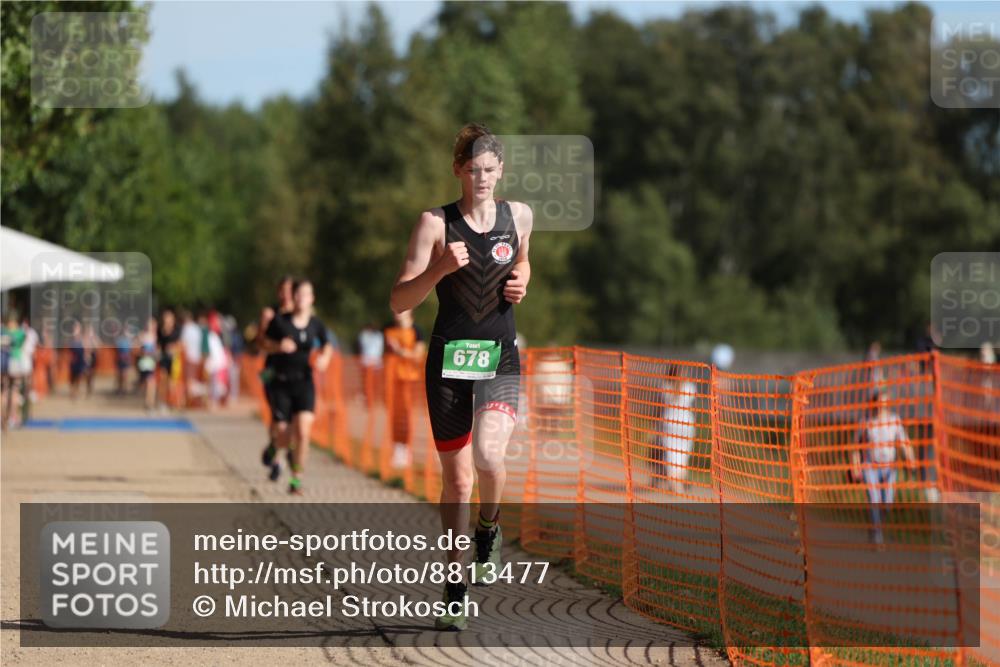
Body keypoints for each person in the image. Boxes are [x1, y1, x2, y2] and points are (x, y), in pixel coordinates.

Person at [389, 123, 532, 631]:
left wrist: (522, 281)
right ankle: (454, 586)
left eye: (491, 170)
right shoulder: (433, 224)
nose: (483, 179)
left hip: (500, 354)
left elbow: (524, 263)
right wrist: (437, 271)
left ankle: (489, 530)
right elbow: (399, 300)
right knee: (457, 479)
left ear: (501, 171)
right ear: (458, 171)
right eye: (473, 170)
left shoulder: (520, 216)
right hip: (449, 359)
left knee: (491, 455)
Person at [261, 279, 334, 494]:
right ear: (293, 298)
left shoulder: (316, 324)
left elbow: (327, 345)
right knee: (284, 433)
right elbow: (262, 343)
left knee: (303, 432)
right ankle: (276, 445)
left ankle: (296, 479)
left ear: (312, 299)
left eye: (306, 294)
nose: (302, 298)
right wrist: (277, 345)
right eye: (298, 294)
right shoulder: (280, 322)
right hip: (281, 383)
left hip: (304, 383)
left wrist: (325, 358)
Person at [850, 391, 919, 546]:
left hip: (889, 467)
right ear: (874, 403)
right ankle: (877, 535)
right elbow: (855, 446)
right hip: (870, 466)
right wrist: (855, 468)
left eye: (884, 403)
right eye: (879, 403)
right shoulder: (866, 421)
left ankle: (875, 526)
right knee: (874, 500)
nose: (881, 406)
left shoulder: (895, 421)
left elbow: (904, 443)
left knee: (886, 504)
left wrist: (911, 462)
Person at [260, 276, 295, 480]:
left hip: (296, 374)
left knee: (291, 419)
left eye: (289, 290)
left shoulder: (304, 314)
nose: (285, 294)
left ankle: (276, 447)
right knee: (276, 416)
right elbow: (260, 343)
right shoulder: (270, 314)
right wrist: (277, 346)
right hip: (271, 371)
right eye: (282, 290)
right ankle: (277, 461)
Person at [383, 310, 427, 470]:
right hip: (391, 379)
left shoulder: (416, 331)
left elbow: (418, 354)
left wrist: (400, 351)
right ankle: (397, 448)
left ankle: (406, 448)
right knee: (394, 415)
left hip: (410, 380)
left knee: (407, 416)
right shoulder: (387, 329)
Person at [652, 365, 697, 494]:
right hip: (686, 424)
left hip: (669, 424)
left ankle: (675, 483)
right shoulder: (690, 387)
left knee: (671, 456)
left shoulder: (664, 386)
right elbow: (693, 408)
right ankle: (676, 483)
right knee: (682, 457)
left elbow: (658, 408)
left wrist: (654, 425)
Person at [156, 309, 181, 411]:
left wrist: (174, 348)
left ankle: (173, 402)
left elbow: (180, 344)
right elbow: (158, 344)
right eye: (166, 317)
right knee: (163, 379)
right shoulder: (160, 330)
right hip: (163, 357)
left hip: (174, 358)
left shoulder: (177, 330)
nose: (167, 319)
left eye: (169, 317)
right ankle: (162, 402)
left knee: (172, 382)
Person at [357, 322, 385, 410]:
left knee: (373, 385)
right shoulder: (364, 335)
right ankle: (369, 401)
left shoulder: (377, 336)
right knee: (367, 385)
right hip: (367, 364)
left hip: (375, 364)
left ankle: (372, 401)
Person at [137, 316, 159, 411]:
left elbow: (158, 350)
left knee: (151, 382)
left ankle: (150, 402)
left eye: (153, 324)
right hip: (144, 362)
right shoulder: (142, 336)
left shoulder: (157, 337)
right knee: (146, 382)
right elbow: (137, 348)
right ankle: (148, 401)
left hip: (153, 362)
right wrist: (143, 352)